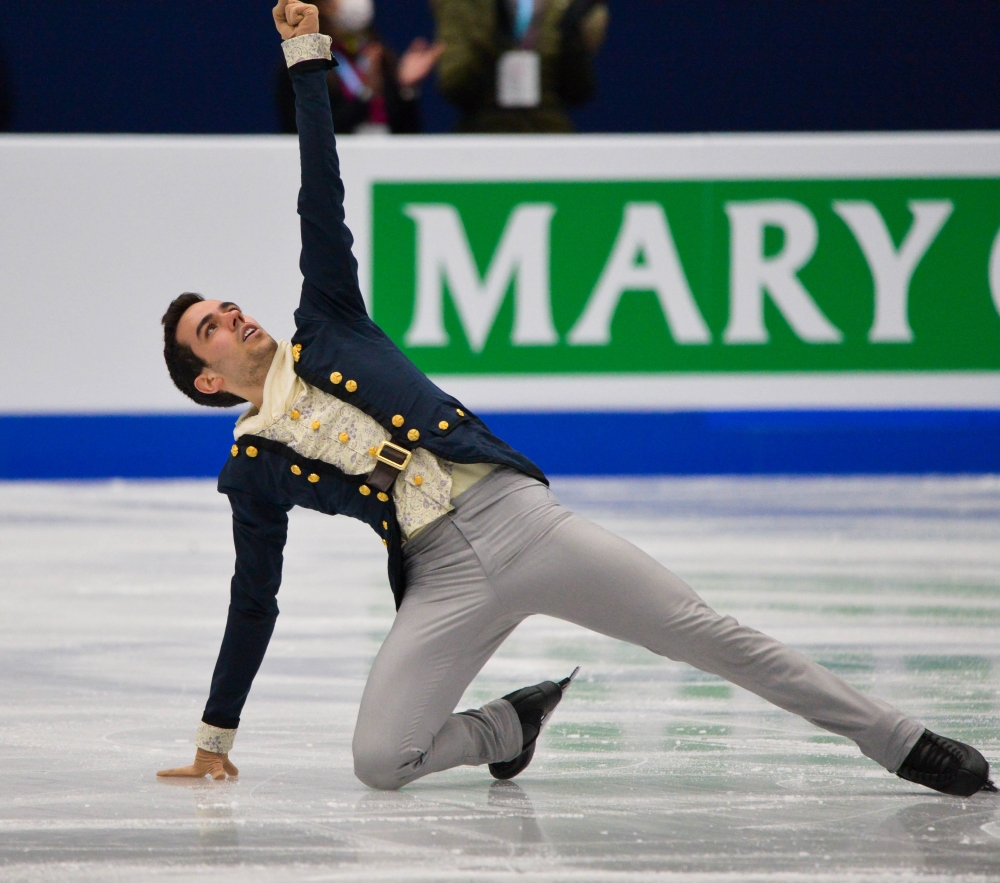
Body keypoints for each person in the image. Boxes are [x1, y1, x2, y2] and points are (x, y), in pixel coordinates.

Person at [156, 1, 997, 799]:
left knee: (706, 632)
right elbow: (252, 597)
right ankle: (507, 728)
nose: (231, 315)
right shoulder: (252, 465)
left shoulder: (328, 319)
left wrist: (307, 60)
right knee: (382, 758)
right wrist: (214, 740)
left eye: (225, 307)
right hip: (439, 577)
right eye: (210, 329)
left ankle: (901, 740)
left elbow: (319, 188)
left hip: (516, 517)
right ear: (206, 380)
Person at [432, 0, 608, 133]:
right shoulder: (463, 5)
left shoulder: (568, 5)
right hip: (483, 140)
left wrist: (572, 40)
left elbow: (577, 94)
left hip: (551, 138)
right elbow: (454, 87)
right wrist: (492, 40)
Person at [276, 0, 442, 134]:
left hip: (382, 166)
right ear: (321, 5)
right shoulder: (302, 65)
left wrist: (406, 89)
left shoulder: (380, 56)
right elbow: (309, 132)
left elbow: (407, 135)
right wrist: (365, 95)